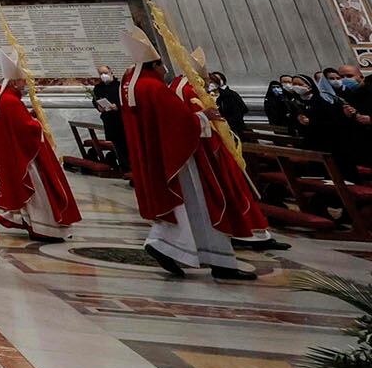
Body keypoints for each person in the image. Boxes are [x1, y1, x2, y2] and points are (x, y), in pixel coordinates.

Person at [119, 26, 257, 280]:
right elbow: (178, 121)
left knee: (187, 207)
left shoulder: (134, 86)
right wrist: (203, 117)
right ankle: (179, 249)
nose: (165, 69)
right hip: (180, 157)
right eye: (162, 65)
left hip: (164, 156)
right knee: (199, 203)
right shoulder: (153, 87)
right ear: (154, 65)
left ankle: (174, 247)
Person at [175, 48, 283, 253]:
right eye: (206, 78)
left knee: (235, 187)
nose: (207, 82)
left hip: (216, 145)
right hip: (209, 149)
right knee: (229, 189)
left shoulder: (188, 87)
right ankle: (245, 231)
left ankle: (252, 230)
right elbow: (187, 120)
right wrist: (207, 119)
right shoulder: (188, 89)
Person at [0, 49, 80, 243]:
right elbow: (27, 129)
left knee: (34, 195)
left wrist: (28, 116)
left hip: (18, 154)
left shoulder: (3, 97)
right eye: (23, 81)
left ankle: (33, 223)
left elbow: (16, 124)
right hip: (27, 159)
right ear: (14, 82)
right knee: (39, 194)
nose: (25, 84)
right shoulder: (11, 101)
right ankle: (45, 228)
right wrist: (36, 122)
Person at [91, 64, 129, 172]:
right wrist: (98, 106)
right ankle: (117, 164)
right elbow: (95, 100)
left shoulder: (119, 86)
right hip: (108, 120)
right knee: (113, 143)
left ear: (111, 72)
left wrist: (117, 106)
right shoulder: (98, 88)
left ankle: (126, 166)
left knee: (123, 144)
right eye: (101, 74)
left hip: (120, 119)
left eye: (105, 73)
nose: (103, 75)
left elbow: (125, 100)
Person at [209, 71, 250, 142]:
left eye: (214, 81)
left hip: (232, 129)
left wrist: (226, 121)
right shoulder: (208, 96)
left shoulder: (230, 95)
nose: (211, 84)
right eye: (210, 81)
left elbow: (241, 111)